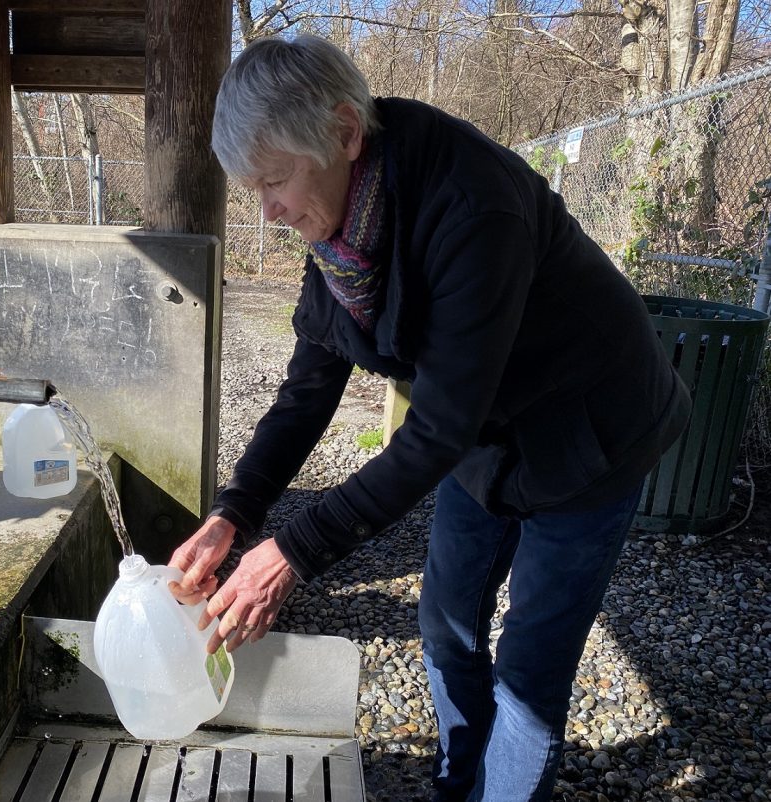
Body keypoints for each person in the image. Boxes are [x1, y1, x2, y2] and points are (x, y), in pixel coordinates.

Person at [167, 34, 691, 802]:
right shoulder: (340, 229)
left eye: (274, 181)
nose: (269, 211)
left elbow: (437, 428)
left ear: (346, 133)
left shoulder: (471, 204)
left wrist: (293, 553)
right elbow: (308, 392)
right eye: (254, 189)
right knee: (445, 625)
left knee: (527, 673)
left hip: (592, 433)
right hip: (485, 433)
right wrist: (234, 513)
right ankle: (458, 782)